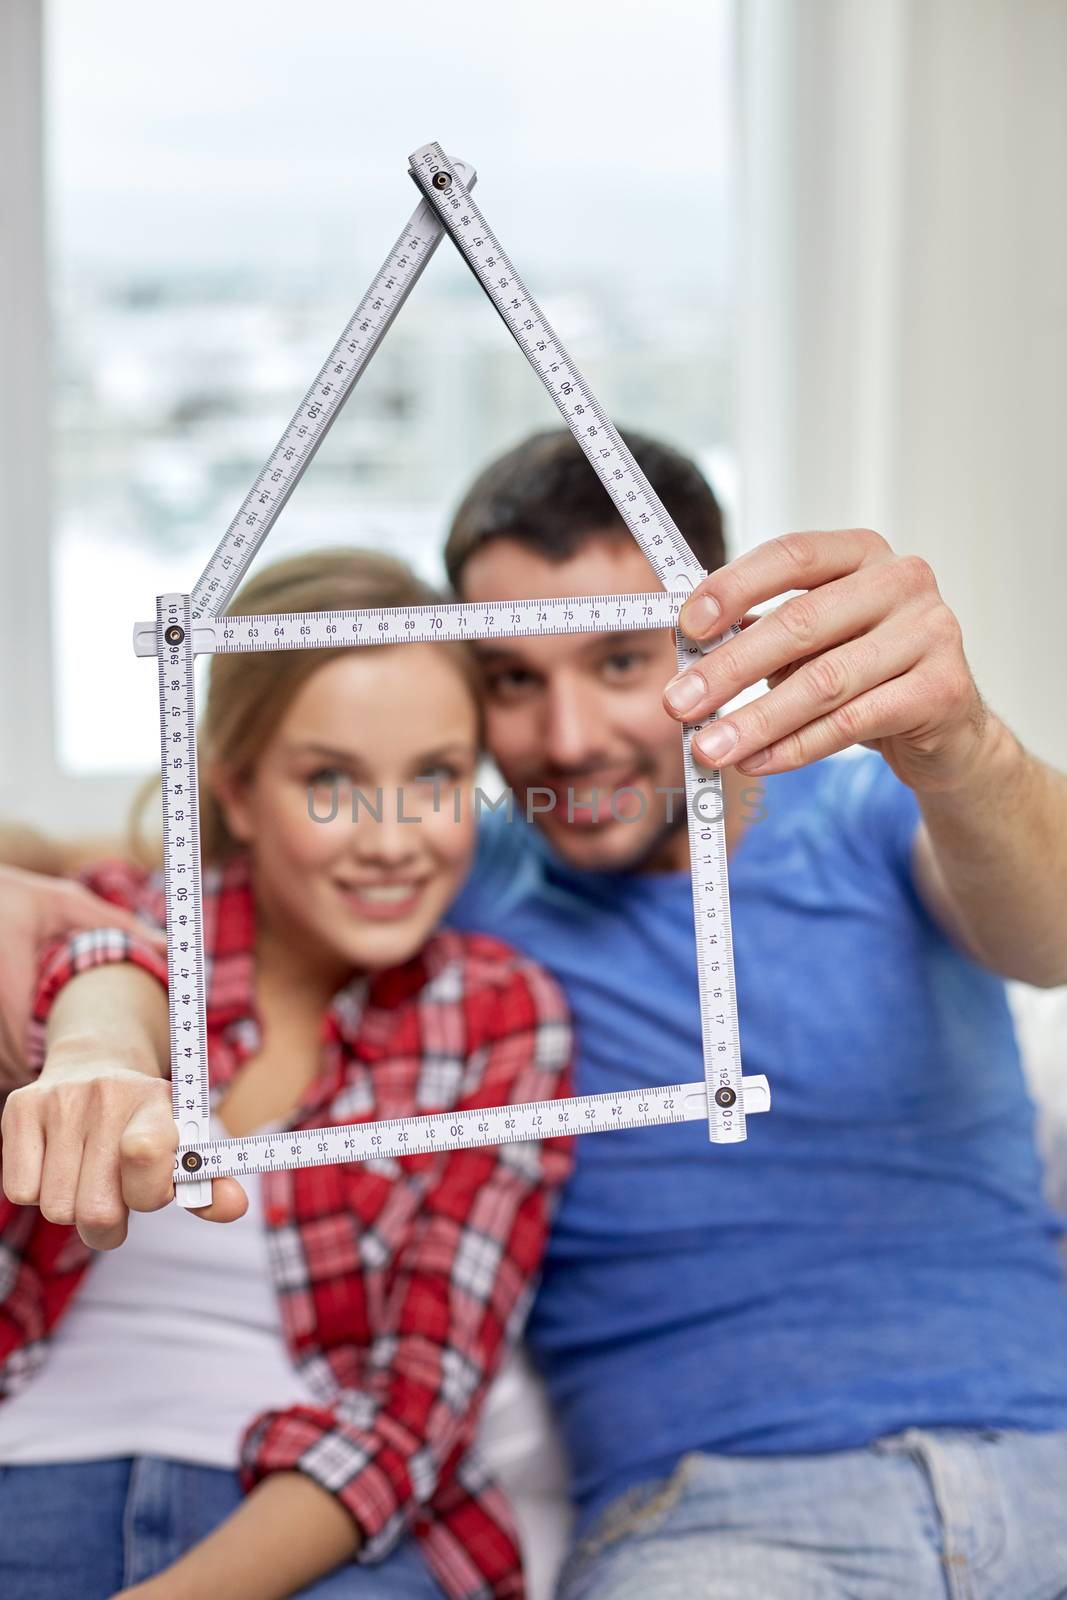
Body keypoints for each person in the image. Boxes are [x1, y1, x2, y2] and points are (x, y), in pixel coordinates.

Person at [7, 427, 1067, 1598]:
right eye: (514, 678)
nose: (566, 740)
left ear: (720, 644)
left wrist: (962, 745)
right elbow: (181, 858)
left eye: (620, 662)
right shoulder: (458, 876)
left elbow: (1046, 930)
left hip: (1044, 1453)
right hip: (723, 1522)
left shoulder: (880, 808)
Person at [0, 549, 574, 1600]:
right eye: (329, 781)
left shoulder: (498, 1011)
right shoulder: (111, 921)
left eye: (436, 778)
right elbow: (99, 965)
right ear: (235, 791)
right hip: (30, 1469)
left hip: (316, 1519)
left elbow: (417, 1402)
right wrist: (98, 1043)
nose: (391, 837)